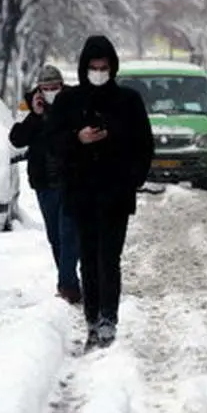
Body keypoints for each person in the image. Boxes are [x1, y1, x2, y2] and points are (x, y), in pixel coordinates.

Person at [47, 35, 154, 349]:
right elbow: (52, 142)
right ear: (83, 67)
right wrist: (77, 138)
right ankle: (93, 319)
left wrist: (131, 176)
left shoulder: (128, 101)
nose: (98, 72)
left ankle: (109, 318)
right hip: (80, 194)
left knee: (110, 258)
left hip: (115, 194)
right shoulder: (69, 102)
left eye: (103, 67)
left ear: (112, 67)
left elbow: (144, 144)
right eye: (92, 67)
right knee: (88, 260)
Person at [8, 65, 81, 304]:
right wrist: (35, 115)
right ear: (39, 88)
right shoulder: (28, 106)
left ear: (62, 86)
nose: (51, 92)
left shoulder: (74, 102)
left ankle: (67, 285)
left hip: (71, 180)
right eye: (46, 88)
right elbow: (17, 138)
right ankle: (69, 280)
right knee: (55, 236)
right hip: (44, 183)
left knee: (68, 232)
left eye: (55, 88)